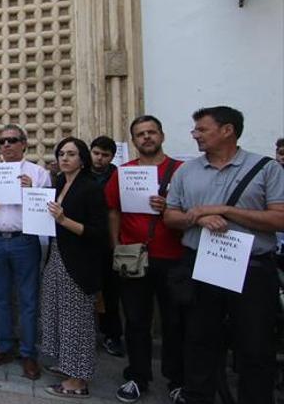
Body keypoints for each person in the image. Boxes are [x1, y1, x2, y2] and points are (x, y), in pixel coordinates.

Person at [164, 106, 284, 404]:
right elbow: (170, 216)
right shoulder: (187, 170)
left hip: (252, 270)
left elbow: (279, 219)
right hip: (202, 265)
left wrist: (226, 210)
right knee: (199, 341)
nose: (195, 135)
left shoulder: (266, 169)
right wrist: (197, 218)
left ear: (227, 130)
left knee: (255, 347)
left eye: (202, 129)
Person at [107, 116, 185, 403]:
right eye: (140, 134)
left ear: (162, 135)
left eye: (151, 132)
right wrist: (115, 245)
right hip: (133, 256)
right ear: (134, 140)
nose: (146, 137)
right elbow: (113, 211)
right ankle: (137, 376)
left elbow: (192, 211)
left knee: (174, 322)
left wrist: (170, 207)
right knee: (137, 320)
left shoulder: (181, 171)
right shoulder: (124, 172)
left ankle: (177, 379)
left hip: (173, 257)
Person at [0, 124, 52, 379]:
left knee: (28, 300)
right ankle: (4, 347)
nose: (6, 145)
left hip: (24, 242)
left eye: (12, 140)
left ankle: (29, 353)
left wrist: (32, 190)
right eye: (2, 141)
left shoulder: (38, 173)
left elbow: (47, 209)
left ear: (24, 143)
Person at [41, 137, 108, 399]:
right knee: (57, 312)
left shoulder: (90, 188)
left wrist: (64, 220)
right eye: (61, 154)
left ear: (83, 158)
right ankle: (67, 365)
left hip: (79, 262)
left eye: (71, 153)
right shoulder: (60, 182)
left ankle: (78, 382)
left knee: (76, 320)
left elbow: (98, 232)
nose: (65, 158)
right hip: (58, 255)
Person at [89, 135, 124, 357]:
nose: (100, 158)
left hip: (109, 242)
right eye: (96, 153)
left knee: (111, 292)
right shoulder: (80, 174)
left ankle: (113, 335)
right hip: (85, 241)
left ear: (112, 157)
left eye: (105, 155)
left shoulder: (119, 176)